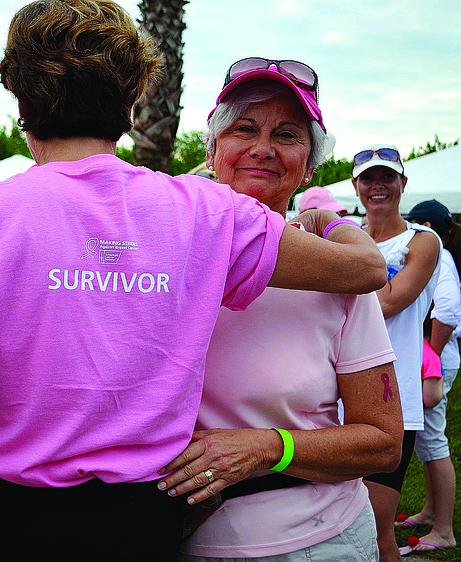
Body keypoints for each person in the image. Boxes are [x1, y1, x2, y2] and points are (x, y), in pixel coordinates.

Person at [0, 3, 387, 558]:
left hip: (4, 519)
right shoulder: (209, 213)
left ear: (22, 103)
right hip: (143, 519)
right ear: (133, 101)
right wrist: (331, 223)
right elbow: (364, 270)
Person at [150, 58, 401, 561]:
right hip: (181, 541)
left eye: (286, 135)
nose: (262, 149)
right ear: (212, 150)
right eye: (244, 128)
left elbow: (382, 443)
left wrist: (269, 446)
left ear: (309, 165)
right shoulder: (156, 255)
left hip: (323, 542)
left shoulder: (339, 278)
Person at [351, 144, 442, 561]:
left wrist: (335, 270)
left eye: (387, 177)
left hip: (395, 399)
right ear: (356, 186)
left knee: (378, 526)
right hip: (338, 400)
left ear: (403, 183)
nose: (378, 186)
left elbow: (388, 303)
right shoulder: (351, 238)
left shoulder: (423, 241)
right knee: (337, 524)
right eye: (368, 178)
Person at [396, 199, 459, 553]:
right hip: (430, 359)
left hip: (432, 361)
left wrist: (429, 353)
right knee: (427, 443)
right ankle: (431, 513)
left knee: (433, 443)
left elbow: (448, 307)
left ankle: (445, 531)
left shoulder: (437, 253)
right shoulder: (440, 252)